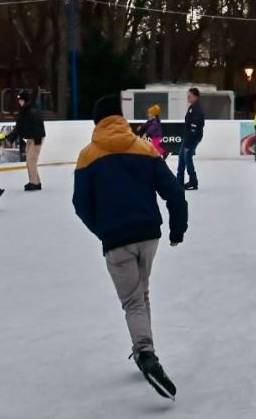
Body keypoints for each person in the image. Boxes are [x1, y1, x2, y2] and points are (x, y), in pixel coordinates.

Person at [72, 95, 187, 400]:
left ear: (96, 121)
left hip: (116, 240)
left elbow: (80, 204)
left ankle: (145, 354)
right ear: (120, 117)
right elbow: (174, 192)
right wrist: (177, 229)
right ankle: (146, 348)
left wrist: (102, 232)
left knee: (133, 300)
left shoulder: (87, 155)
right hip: (149, 235)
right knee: (141, 293)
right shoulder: (144, 148)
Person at [10, 91, 47, 191]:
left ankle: (34, 183)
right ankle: (34, 181)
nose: (19, 102)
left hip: (36, 138)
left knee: (31, 161)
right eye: (19, 100)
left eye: (21, 100)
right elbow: (19, 126)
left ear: (25, 100)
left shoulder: (33, 110)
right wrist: (11, 138)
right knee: (29, 161)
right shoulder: (24, 110)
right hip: (30, 138)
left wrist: (38, 141)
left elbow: (38, 126)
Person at [178, 87, 204, 190]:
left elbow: (195, 128)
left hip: (192, 138)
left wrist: (188, 144)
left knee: (187, 157)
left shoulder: (197, 110)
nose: (188, 98)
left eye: (190, 96)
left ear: (196, 97)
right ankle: (179, 181)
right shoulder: (192, 107)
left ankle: (193, 181)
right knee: (182, 157)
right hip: (189, 137)